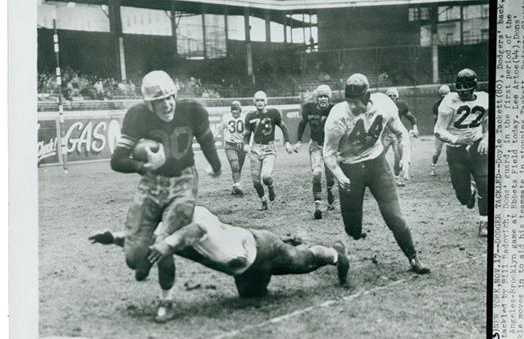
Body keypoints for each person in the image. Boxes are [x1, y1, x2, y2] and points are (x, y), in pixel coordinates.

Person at [110, 70, 222, 323]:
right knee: (133, 259)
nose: (168, 103)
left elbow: (207, 143)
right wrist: (142, 166)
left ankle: (166, 299)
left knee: (164, 240)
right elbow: (117, 161)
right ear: (149, 103)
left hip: (183, 181)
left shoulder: (192, 110)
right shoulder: (137, 115)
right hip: (151, 183)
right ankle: (140, 250)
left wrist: (216, 166)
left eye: (171, 97)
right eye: (160, 100)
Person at [89, 206, 350, 303]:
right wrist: (113, 238)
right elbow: (144, 240)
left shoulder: (197, 216)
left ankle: (334, 253)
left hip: (260, 249)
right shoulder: (167, 224)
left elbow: (195, 230)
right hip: (243, 268)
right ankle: (302, 247)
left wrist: (169, 244)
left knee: (301, 262)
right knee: (251, 296)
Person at [323, 73, 430, 274]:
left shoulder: (384, 104)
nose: (353, 106)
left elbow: (401, 132)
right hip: (350, 168)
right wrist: (340, 175)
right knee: (353, 229)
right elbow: (328, 153)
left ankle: (413, 258)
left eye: (357, 102)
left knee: (394, 216)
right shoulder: (337, 116)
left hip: (377, 164)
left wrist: (406, 159)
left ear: (367, 97)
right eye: (350, 102)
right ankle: (352, 236)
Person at [434, 69, 489, 237]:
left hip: (478, 145)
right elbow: (438, 130)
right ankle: (469, 192)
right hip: (456, 149)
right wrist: (457, 140)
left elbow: (491, 122)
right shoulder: (448, 102)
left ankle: (484, 221)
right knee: (462, 196)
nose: (463, 93)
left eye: (466, 89)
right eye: (460, 89)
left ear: (474, 87)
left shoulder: (485, 98)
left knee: (485, 183)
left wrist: (486, 137)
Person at [243, 90, 293, 210]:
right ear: (254, 102)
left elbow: (284, 127)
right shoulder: (250, 116)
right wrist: (245, 144)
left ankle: (271, 186)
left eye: (262, 100)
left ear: (266, 101)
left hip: (269, 148)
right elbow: (247, 134)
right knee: (255, 182)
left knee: (265, 177)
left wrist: (287, 142)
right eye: (257, 100)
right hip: (255, 149)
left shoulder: (274, 113)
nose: (260, 103)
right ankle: (263, 201)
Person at [294, 84, 336, 219]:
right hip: (315, 145)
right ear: (316, 98)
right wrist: (299, 141)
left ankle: (330, 192)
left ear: (329, 97)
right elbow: (302, 123)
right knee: (316, 173)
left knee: (330, 178)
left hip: (330, 147)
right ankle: (317, 206)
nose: (323, 99)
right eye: (320, 96)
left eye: (325, 96)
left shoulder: (334, 109)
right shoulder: (308, 108)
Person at [382, 87, 419, 186]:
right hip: (384, 134)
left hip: (397, 135)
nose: (392, 98)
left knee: (398, 157)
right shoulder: (381, 106)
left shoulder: (401, 105)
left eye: (394, 96)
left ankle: (397, 178)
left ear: (397, 97)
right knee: (378, 156)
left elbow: (411, 118)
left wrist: (415, 128)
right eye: (390, 96)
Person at [219, 100, 247, 195]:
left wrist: (248, 144)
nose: (234, 111)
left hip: (241, 146)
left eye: (236, 109)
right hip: (230, 145)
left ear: (240, 110)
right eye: (233, 109)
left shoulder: (245, 118)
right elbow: (220, 128)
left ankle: (235, 186)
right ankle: (238, 185)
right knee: (235, 165)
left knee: (238, 168)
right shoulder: (226, 118)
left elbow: (250, 132)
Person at [430, 84, 451, 176]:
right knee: (436, 151)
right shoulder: (437, 104)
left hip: (451, 129)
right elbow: (435, 119)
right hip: (441, 128)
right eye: (442, 94)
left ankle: (454, 167)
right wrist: (438, 130)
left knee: (454, 149)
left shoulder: (454, 103)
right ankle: (433, 167)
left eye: (446, 94)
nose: (444, 96)